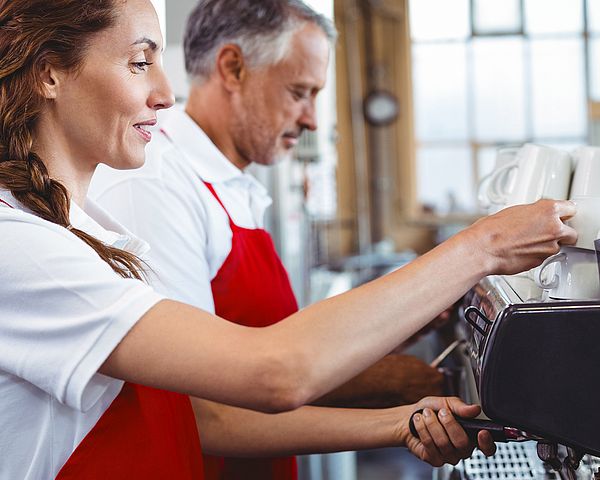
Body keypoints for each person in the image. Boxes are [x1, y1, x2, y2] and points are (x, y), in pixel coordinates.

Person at [0, 0, 577, 479]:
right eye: (138, 62)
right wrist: (485, 246)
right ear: (49, 73)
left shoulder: (89, 225)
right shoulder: (25, 245)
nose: (165, 94)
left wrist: (401, 421)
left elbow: (186, 406)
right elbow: (270, 373)